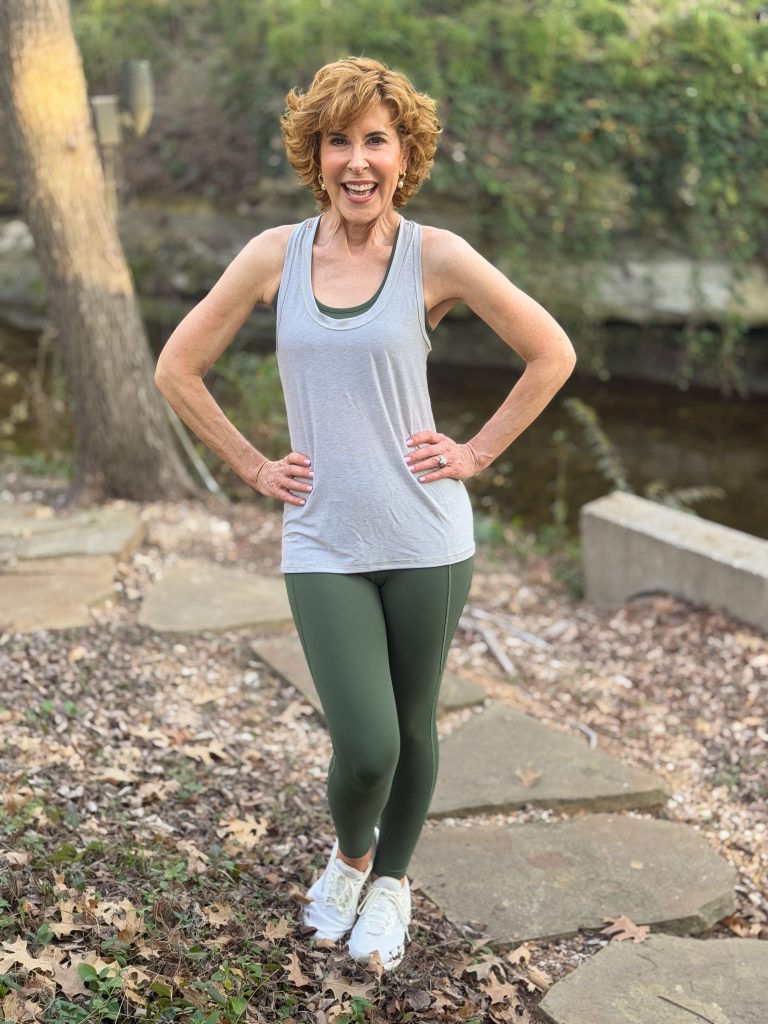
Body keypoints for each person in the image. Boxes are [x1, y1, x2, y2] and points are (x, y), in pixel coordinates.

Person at [154, 55, 576, 972]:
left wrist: (474, 455)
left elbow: (551, 353)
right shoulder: (275, 256)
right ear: (315, 153)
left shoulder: (438, 257)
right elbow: (176, 369)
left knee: (416, 721)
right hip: (323, 539)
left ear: (404, 153)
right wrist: (253, 465)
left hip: (427, 534)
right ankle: (351, 856)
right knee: (367, 743)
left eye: (374, 141)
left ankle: (393, 883)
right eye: (337, 140)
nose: (356, 160)